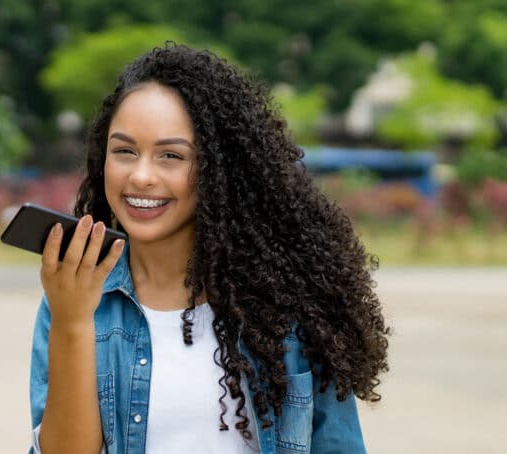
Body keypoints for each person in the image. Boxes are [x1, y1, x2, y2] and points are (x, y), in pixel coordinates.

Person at [28, 43, 389, 454]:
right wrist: (72, 322)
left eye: (171, 155)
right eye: (124, 151)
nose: (141, 176)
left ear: (220, 169)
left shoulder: (289, 306)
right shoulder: (76, 298)